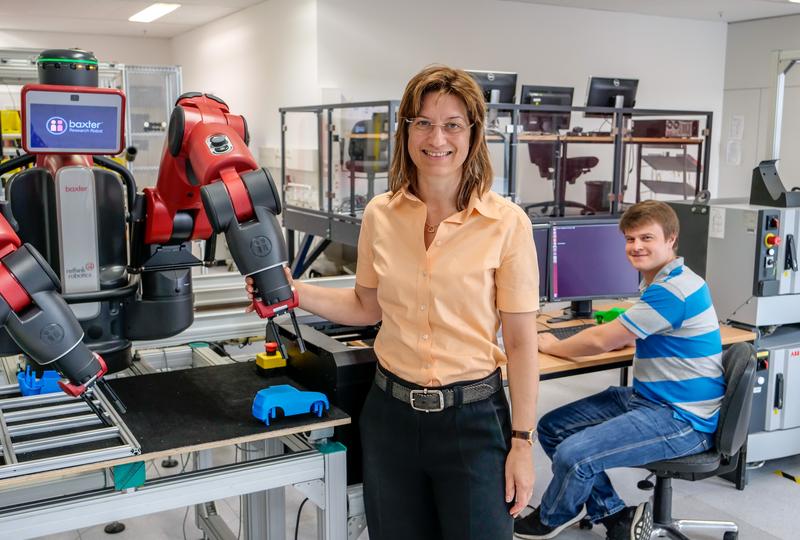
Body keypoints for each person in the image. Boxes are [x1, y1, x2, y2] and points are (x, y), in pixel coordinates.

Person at [247, 65, 540, 540]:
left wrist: (523, 443)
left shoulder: (506, 224)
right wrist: (292, 292)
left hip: (474, 421)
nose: (436, 137)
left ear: (474, 133)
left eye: (452, 124)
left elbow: (524, 345)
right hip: (390, 417)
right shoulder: (382, 214)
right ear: (405, 130)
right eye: (422, 122)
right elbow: (367, 307)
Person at [514, 200, 724, 540]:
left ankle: (552, 518)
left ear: (671, 239)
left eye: (646, 238)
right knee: (553, 428)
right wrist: (627, 335)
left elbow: (599, 341)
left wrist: (551, 345)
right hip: (650, 398)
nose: (636, 246)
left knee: (574, 455)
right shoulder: (668, 280)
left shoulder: (673, 290)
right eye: (630, 239)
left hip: (682, 418)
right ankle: (614, 515)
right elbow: (634, 334)